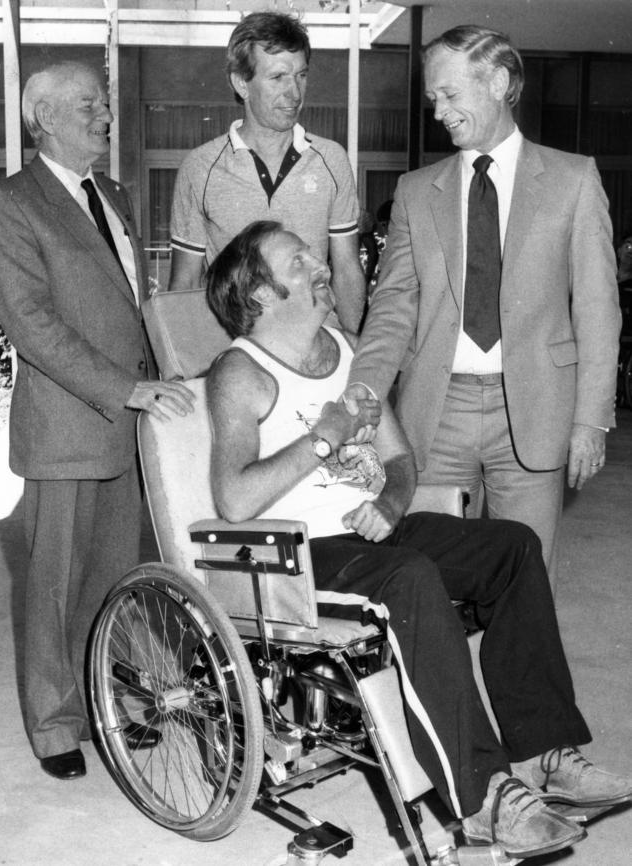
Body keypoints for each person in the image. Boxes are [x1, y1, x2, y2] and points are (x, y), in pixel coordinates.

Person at [204, 219, 631, 859]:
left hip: (379, 529)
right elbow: (233, 497)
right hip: (301, 554)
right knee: (410, 579)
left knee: (512, 548)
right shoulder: (241, 373)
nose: (321, 267)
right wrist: (326, 436)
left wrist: (388, 500)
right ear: (261, 294)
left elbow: (401, 460)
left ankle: (544, 751)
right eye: (298, 263)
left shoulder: (347, 352)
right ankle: (483, 797)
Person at [345, 26, 621, 591]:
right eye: (433, 100)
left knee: (528, 583)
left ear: (498, 82)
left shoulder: (573, 180)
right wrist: (366, 390)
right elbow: (394, 304)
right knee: (432, 581)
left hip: (536, 410)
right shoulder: (418, 191)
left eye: (448, 94)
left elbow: (598, 307)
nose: (438, 111)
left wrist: (590, 419)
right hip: (436, 412)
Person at [0, 62, 195, 781]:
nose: (105, 115)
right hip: (67, 430)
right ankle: (53, 727)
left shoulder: (114, 195)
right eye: (86, 105)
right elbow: (32, 325)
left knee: (113, 581)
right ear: (41, 116)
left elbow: (134, 304)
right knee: (53, 586)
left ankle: (103, 705)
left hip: (128, 427)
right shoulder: (11, 203)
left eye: (105, 104)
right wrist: (125, 389)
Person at [168, 11, 366, 333]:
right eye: (278, 78)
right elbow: (185, 281)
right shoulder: (200, 168)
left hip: (318, 347)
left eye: (301, 75)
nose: (295, 93)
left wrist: (352, 345)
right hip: (235, 356)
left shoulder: (332, 159)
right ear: (241, 83)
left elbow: (345, 268)